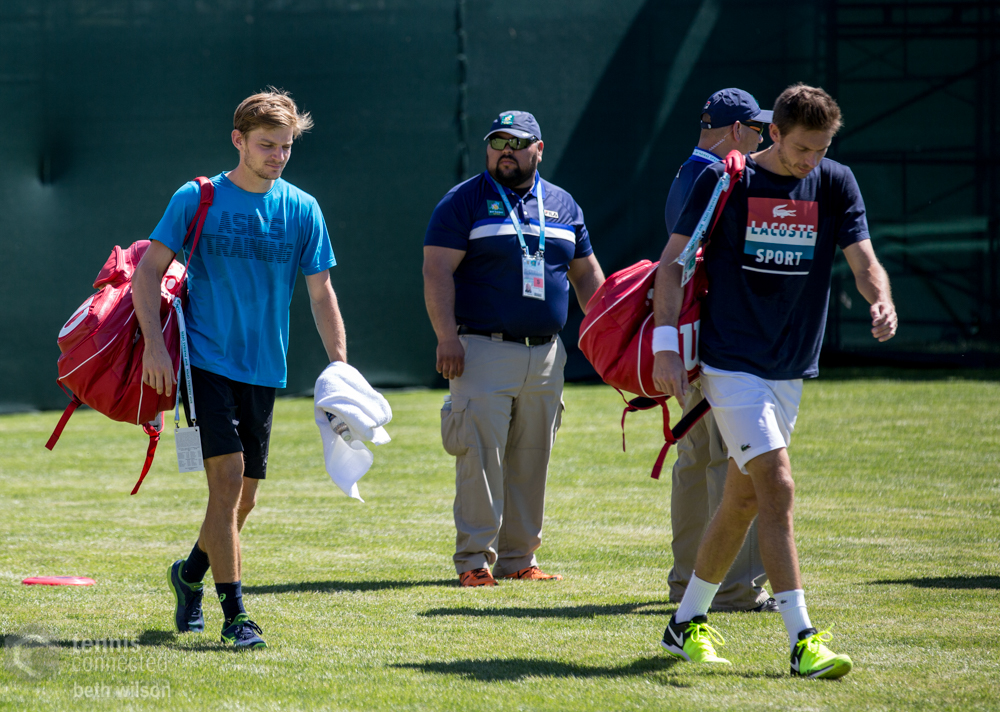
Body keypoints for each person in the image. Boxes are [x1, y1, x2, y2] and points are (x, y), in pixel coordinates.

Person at [651, 84, 897, 678]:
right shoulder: (724, 179)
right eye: (802, 148)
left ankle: (685, 622)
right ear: (775, 133)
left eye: (822, 148)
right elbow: (672, 265)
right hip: (730, 362)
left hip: (790, 366)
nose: (811, 160)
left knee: (741, 499)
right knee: (778, 485)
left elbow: (864, 260)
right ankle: (802, 639)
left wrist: (881, 298)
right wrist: (665, 346)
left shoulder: (836, 182)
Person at [133, 88, 347, 648]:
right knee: (227, 482)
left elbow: (321, 293)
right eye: (267, 145)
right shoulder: (197, 197)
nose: (278, 156)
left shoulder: (303, 208)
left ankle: (189, 575)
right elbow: (147, 272)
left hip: (265, 369)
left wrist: (341, 370)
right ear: (239, 141)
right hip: (206, 362)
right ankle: (235, 616)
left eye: (286, 146)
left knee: (242, 499)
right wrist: (155, 348)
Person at [423, 110, 605, 587]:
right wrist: (447, 336)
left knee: (532, 457)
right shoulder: (463, 201)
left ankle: (519, 558)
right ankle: (473, 561)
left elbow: (586, 274)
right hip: (482, 347)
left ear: (538, 149)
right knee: (480, 457)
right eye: (497, 141)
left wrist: (609, 332)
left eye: (517, 143)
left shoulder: (563, 204)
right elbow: (436, 270)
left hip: (547, 353)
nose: (506, 151)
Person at [663, 88, 776, 613]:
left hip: (691, 341)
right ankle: (733, 588)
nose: (763, 139)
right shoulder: (717, 175)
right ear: (736, 131)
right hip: (720, 342)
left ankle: (687, 582)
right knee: (736, 463)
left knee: (696, 460)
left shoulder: (688, 172)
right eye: (757, 130)